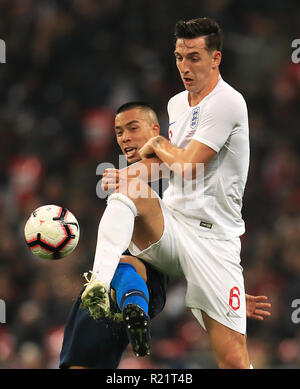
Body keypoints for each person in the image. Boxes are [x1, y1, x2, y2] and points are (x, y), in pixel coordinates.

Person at [81, 16, 260, 369]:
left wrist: (158, 142)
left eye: (194, 57)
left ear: (215, 58)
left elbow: (188, 165)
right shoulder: (178, 104)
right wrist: (126, 174)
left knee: (234, 360)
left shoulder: (228, 102)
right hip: (174, 225)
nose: (184, 66)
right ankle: (99, 282)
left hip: (214, 243)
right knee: (128, 191)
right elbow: (163, 163)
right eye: (179, 56)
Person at [60, 102, 271, 369]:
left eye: (133, 128)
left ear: (156, 129)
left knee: (80, 359)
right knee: (81, 360)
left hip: (140, 277)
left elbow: (194, 240)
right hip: (124, 280)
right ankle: (122, 299)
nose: (125, 137)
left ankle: (110, 288)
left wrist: (223, 286)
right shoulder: (126, 174)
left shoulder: (175, 166)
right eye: (119, 131)